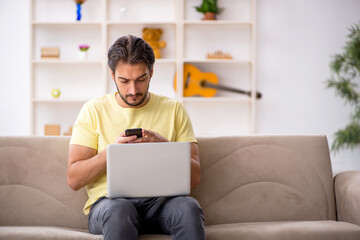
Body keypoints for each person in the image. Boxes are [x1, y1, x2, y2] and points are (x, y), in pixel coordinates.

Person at [67, 35, 206, 240]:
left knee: (188, 207)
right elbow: (74, 179)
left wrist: (164, 147)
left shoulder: (174, 109)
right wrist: (112, 154)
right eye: (124, 81)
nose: (133, 90)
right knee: (120, 211)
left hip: (162, 204)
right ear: (113, 75)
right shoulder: (93, 110)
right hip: (110, 204)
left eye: (141, 79)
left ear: (151, 73)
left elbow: (194, 178)